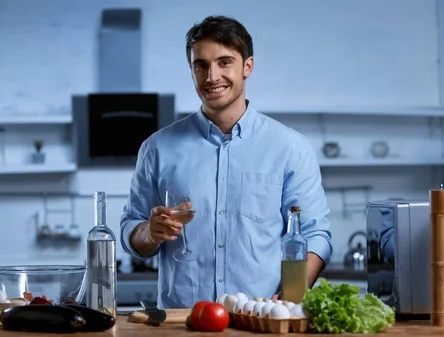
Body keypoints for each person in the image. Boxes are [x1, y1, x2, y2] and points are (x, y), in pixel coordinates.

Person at [120, 15, 333, 309]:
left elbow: (315, 234)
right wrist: (149, 232)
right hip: (182, 324)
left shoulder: (290, 148)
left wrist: (290, 296)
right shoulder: (157, 148)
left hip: (259, 320)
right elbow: (131, 226)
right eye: (201, 65)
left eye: (224, 62)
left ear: (248, 66)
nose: (211, 77)